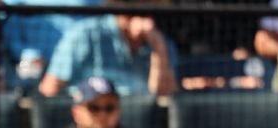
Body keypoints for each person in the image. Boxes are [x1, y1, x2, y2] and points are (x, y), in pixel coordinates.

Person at [38, 10, 178, 97]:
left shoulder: (162, 43)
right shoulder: (84, 34)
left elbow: (165, 96)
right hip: (88, 127)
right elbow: (49, 90)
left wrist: (159, 49)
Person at [2, 0, 102, 94]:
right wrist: (29, 56)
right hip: (26, 75)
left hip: (78, 82)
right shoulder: (17, 8)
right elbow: (7, 28)